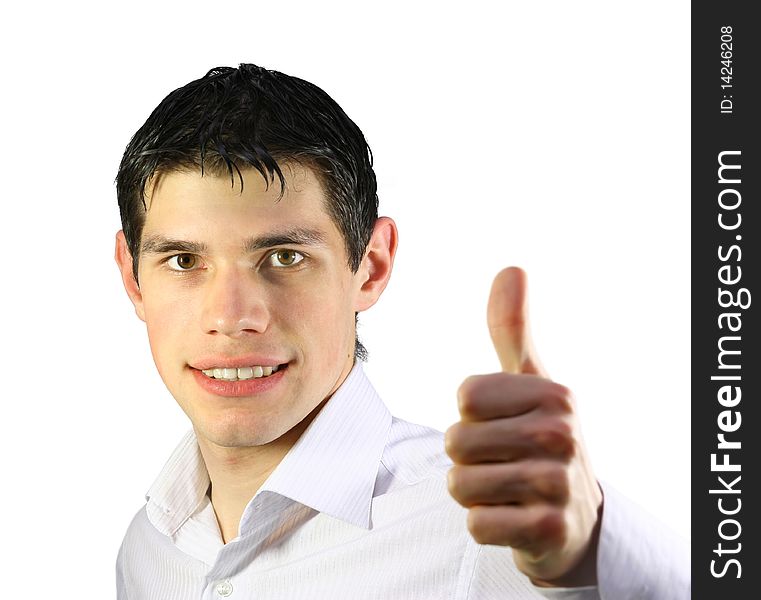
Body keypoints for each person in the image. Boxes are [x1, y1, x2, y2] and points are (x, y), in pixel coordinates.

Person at [114, 64, 689, 599]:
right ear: (133, 276)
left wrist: (591, 552)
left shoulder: (479, 529)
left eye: (285, 257)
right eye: (184, 261)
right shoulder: (149, 548)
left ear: (371, 265)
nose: (232, 317)